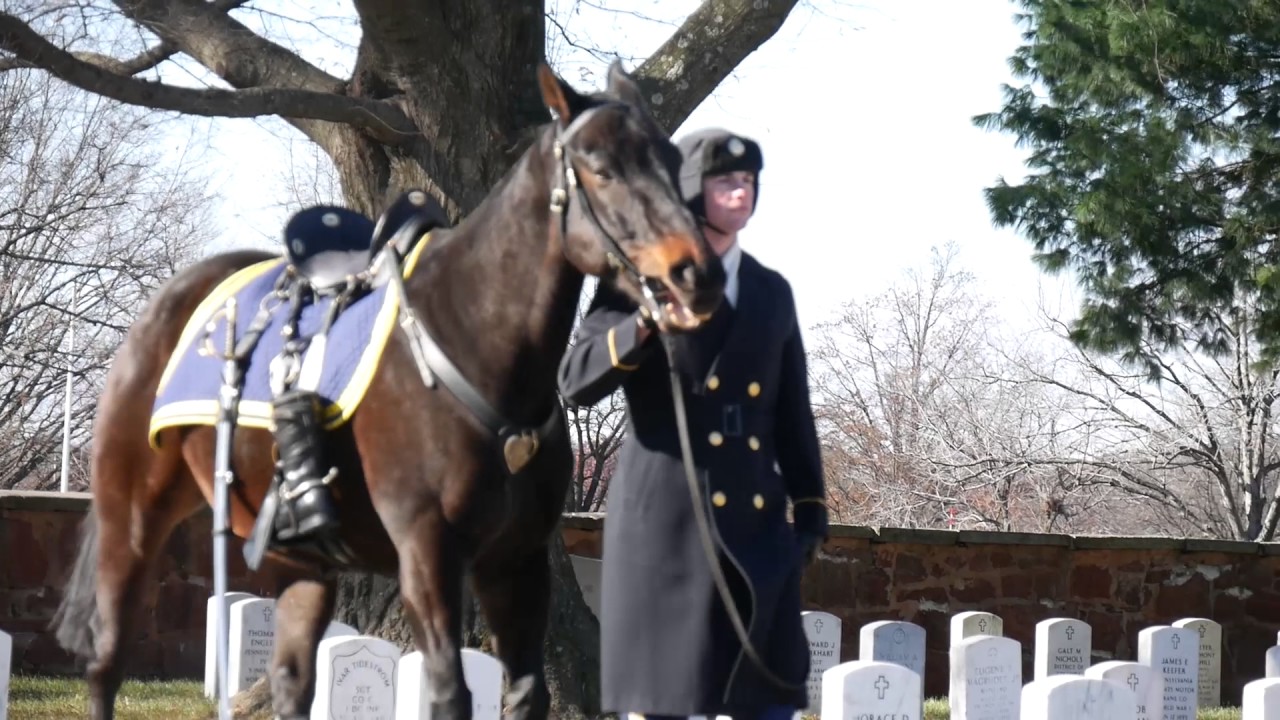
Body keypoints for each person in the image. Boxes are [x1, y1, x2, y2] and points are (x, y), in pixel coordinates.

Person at [557, 127, 829, 720]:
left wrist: (810, 510)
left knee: (767, 701)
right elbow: (575, 381)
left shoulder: (770, 292)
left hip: (756, 537)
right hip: (665, 536)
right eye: (725, 182)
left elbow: (793, 413)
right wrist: (645, 323)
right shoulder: (635, 279)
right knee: (666, 707)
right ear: (689, 191)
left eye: (749, 182)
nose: (741, 193)